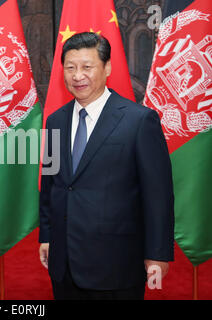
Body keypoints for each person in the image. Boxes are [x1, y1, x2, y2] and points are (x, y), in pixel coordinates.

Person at [39, 32, 174, 300]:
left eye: (87, 67)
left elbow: (158, 195)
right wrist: (47, 235)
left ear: (107, 68)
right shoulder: (56, 121)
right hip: (64, 262)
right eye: (70, 67)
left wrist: (157, 255)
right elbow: (51, 185)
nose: (78, 76)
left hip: (117, 263)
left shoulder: (139, 121)